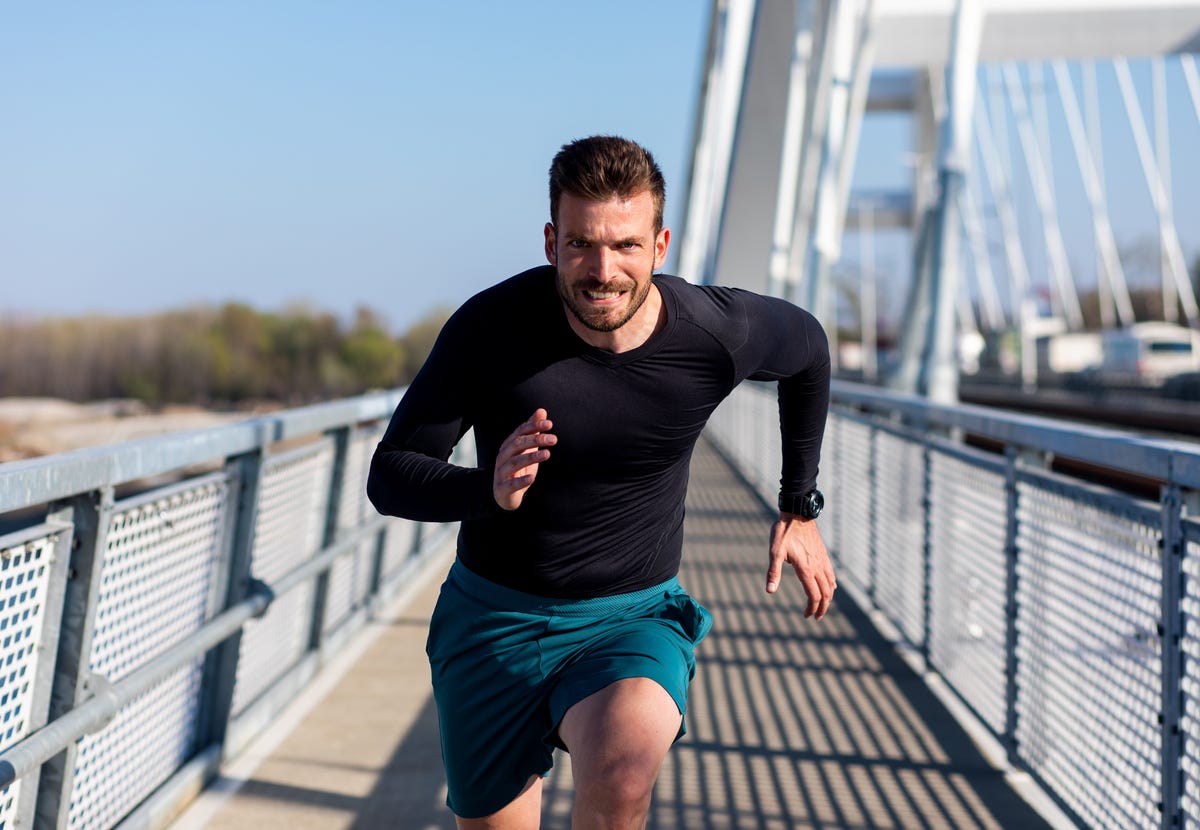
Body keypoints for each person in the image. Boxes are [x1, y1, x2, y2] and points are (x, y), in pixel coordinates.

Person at [367, 135, 834, 829]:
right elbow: (390, 475)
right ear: (553, 241)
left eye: (625, 246)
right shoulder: (491, 329)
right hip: (493, 620)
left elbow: (810, 352)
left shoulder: (713, 333)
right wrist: (485, 492)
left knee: (622, 770)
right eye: (583, 244)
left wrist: (799, 505)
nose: (603, 269)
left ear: (661, 244)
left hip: (630, 618)